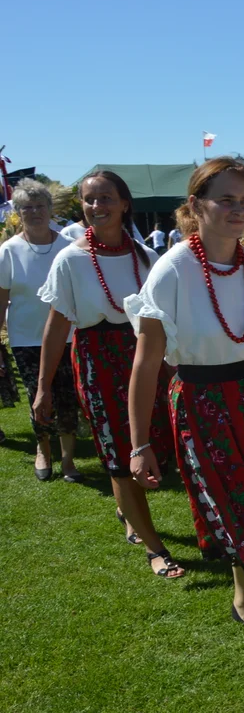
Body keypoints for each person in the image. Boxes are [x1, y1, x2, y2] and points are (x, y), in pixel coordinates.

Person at [126, 158, 244, 639]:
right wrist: (138, 443)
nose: (237, 210)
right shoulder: (171, 270)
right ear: (196, 205)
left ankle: (242, 597)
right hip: (205, 407)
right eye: (225, 200)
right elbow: (147, 362)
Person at [35, 170, 180, 578]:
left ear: (124, 203)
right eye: (88, 199)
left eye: (105, 198)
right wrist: (43, 387)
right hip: (98, 361)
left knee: (154, 444)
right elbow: (57, 327)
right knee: (120, 453)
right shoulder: (72, 258)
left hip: (147, 356)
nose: (96, 207)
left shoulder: (145, 256)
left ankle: (127, 507)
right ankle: (156, 548)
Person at [1, 179, 80, 481]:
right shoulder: (9, 251)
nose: (35, 212)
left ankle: (69, 459)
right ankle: (43, 450)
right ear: (19, 212)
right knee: (39, 396)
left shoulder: (69, 249)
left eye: (40, 206)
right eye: (27, 207)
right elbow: (1, 300)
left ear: (50, 209)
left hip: (68, 338)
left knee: (68, 397)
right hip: (26, 339)